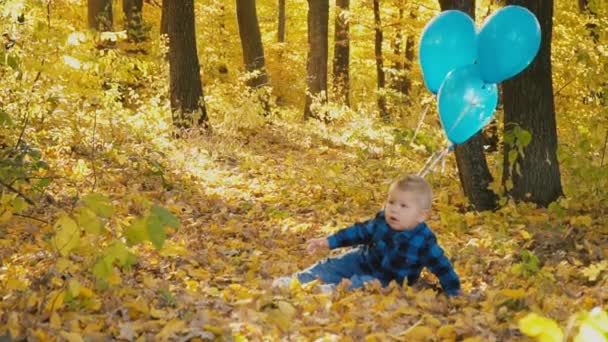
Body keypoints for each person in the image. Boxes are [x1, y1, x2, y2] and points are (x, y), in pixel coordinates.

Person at [273, 174, 461, 296]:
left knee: (365, 286)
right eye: (391, 202)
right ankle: (297, 280)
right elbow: (358, 232)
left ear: (421, 215)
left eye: (403, 206)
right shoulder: (382, 221)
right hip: (364, 260)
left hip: (389, 280)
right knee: (334, 264)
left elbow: (442, 266)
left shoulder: (424, 241)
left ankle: (330, 292)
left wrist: (454, 292)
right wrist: (328, 242)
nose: (394, 209)